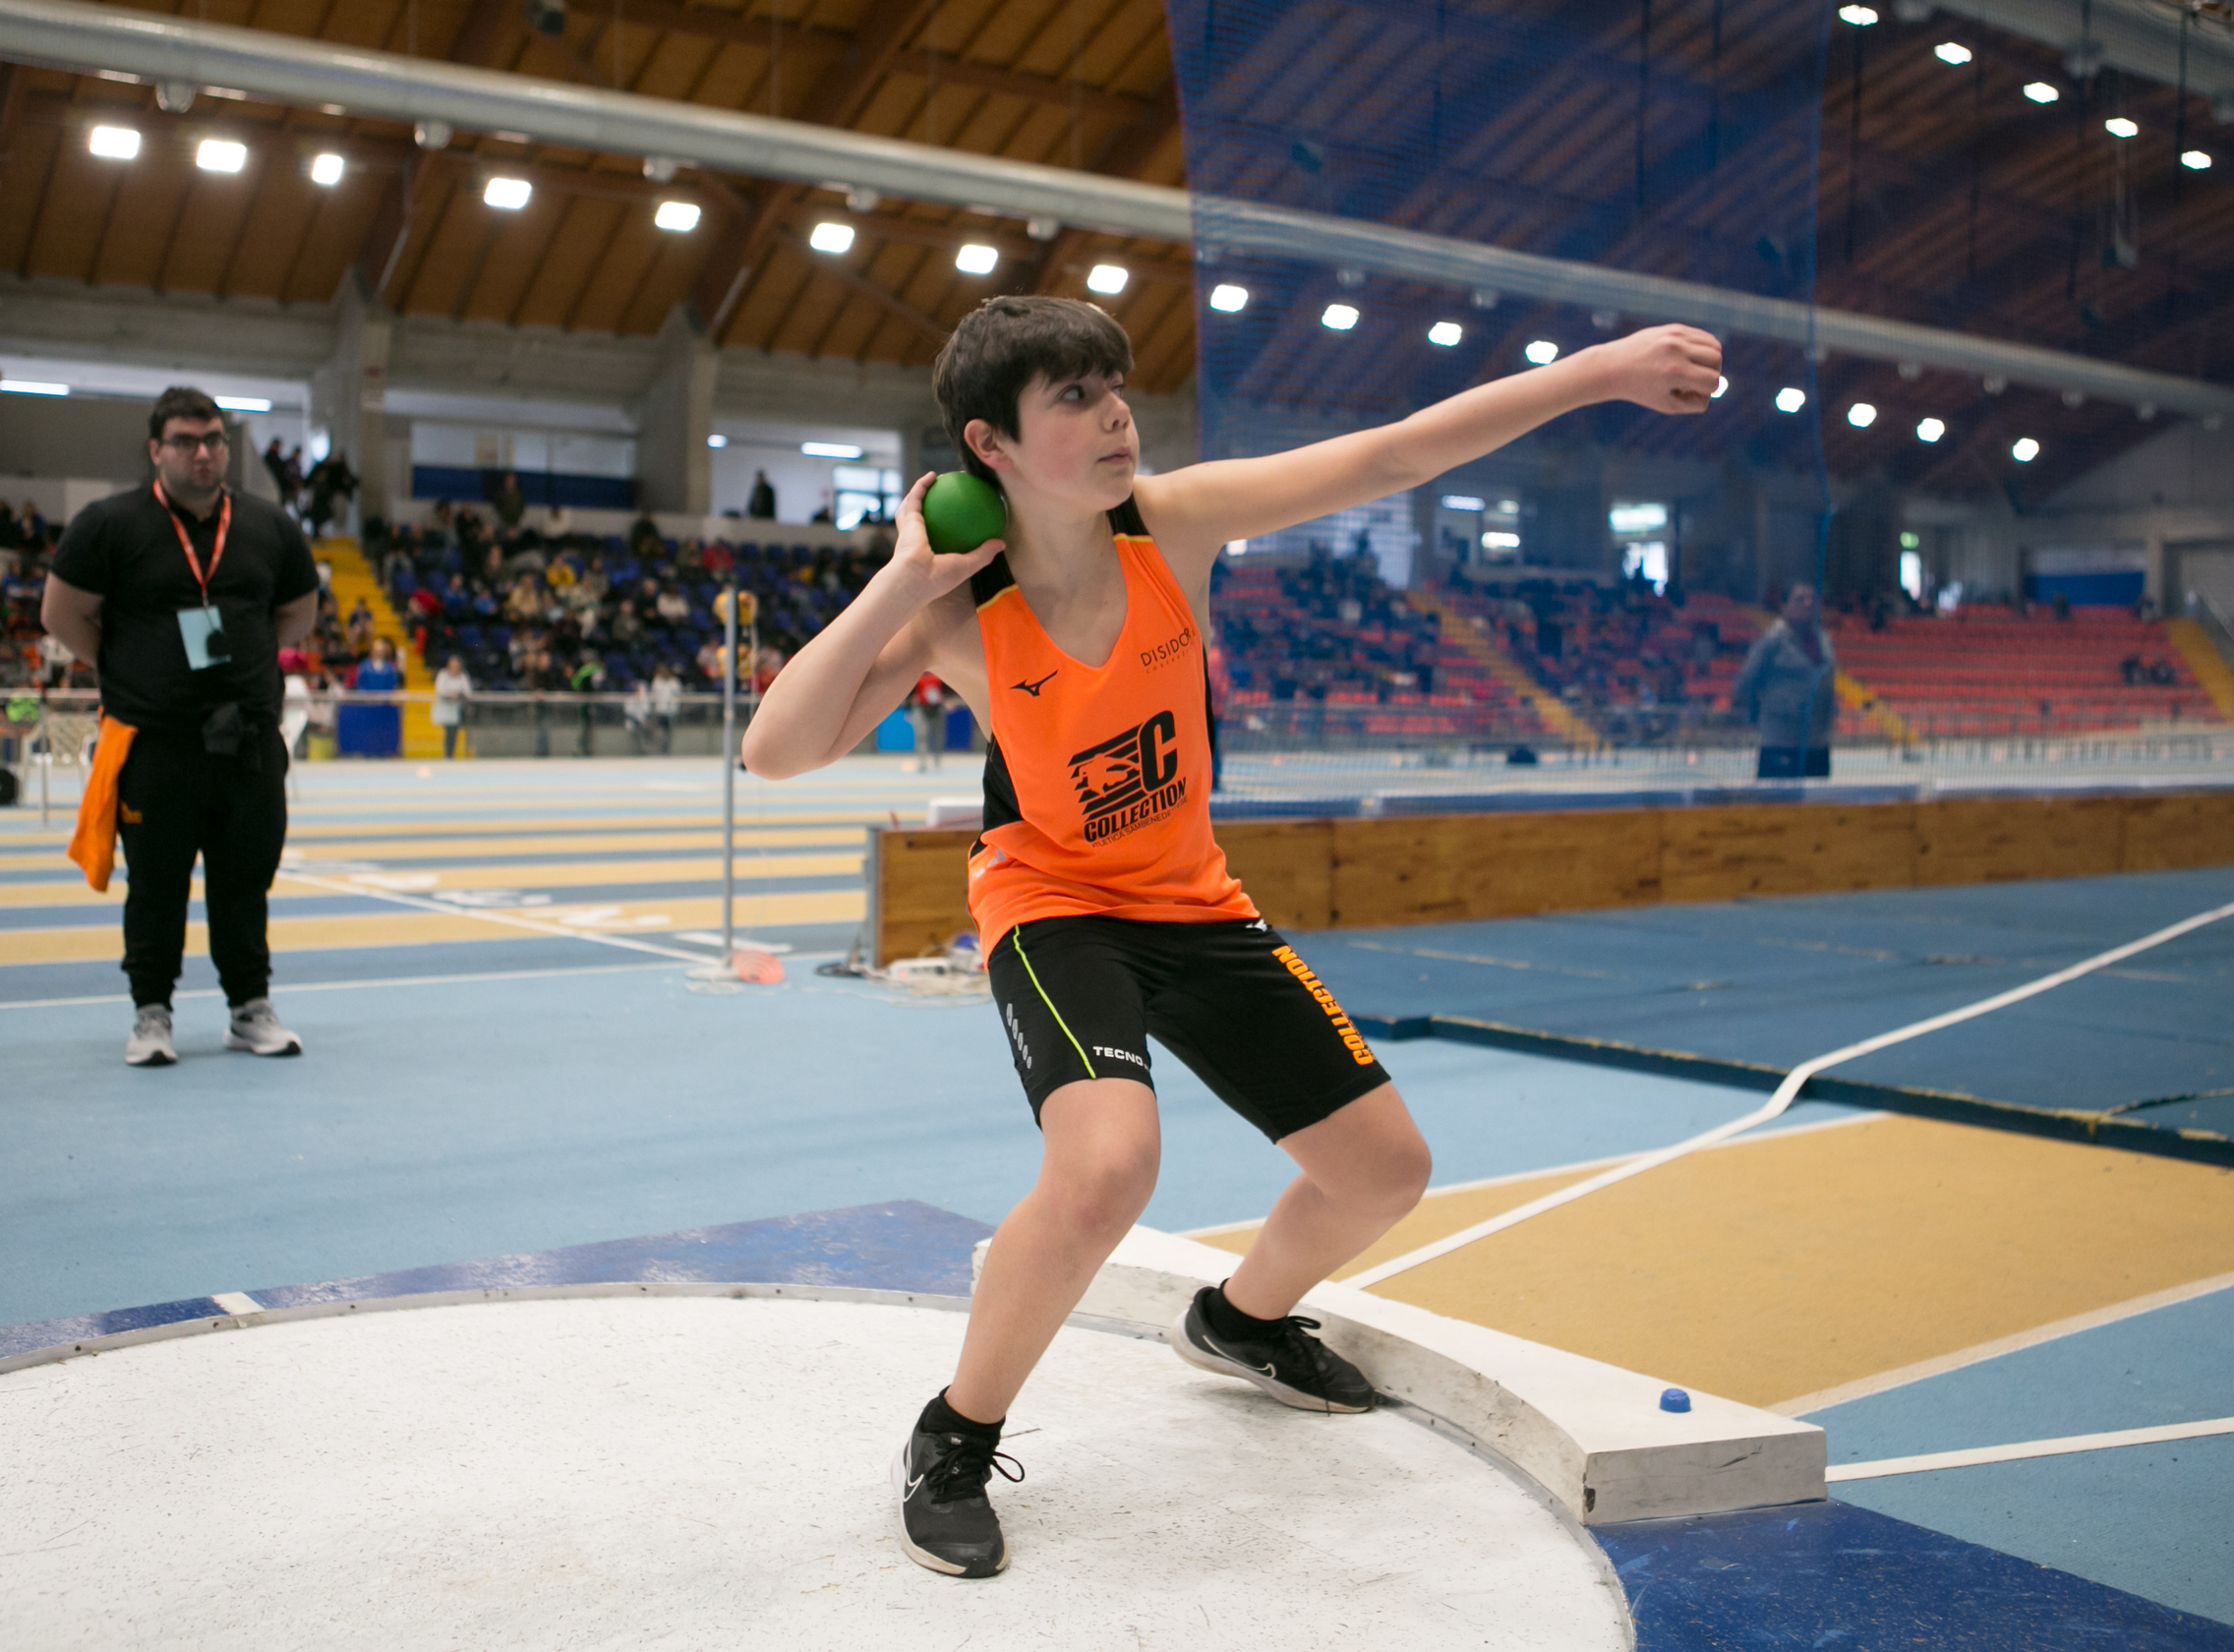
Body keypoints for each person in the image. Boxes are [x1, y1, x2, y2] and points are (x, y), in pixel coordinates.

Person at [738, 295, 1722, 1578]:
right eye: (1075, 398)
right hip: (1055, 907)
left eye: (1115, 389)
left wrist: (1594, 371)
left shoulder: (1174, 522)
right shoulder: (956, 608)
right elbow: (776, 752)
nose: (1115, 417)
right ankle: (955, 1434)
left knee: (1382, 1173)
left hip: (1194, 900)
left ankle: (1239, 1321)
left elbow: (1392, 455)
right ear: (989, 445)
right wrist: (899, 583)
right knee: (1107, 1168)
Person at [41, 385, 319, 1066]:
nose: (203, 453)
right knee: (156, 885)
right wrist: (128, 669)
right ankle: (151, 1014)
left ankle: (249, 1008)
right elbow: (60, 614)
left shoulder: (268, 525)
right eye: (186, 441)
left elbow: (298, 613)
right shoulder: (110, 524)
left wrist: (244, 664)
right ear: (155, 450)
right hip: (156, 742)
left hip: (248, 741)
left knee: (244, 881)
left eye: (214, 439)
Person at [1733, 581, 1836, 779]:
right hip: (1780, 744)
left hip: (1817, 746)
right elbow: (1745, 683)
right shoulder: (1771, 642)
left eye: (1812, 599)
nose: (1807, 603)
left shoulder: (1824, 641)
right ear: (1784, 606)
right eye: (1800, 599)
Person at [432, 653, 471, 759]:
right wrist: (449, 695)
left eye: (456, 665)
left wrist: (458, 695)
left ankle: (450, 754)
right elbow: (439, 690)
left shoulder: (462, 676)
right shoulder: (443, 674)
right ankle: (448, 754)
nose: (454, 668)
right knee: (449, 731)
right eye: (452, 665)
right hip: (445, 707)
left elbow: (467, 692)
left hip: (456, 708)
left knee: (453, 731)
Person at [911, 671, 947, 769]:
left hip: (936, 708)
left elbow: (944, 692)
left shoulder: (938, 678)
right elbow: (912, 695)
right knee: (921, 735)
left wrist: (944, 701)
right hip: (921, 708)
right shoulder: (917, 678)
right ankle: (922, 761)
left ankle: (937, 759)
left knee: (937, 735)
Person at [649, 661, 681, 753]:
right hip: (659, 711)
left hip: (671, 711)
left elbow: (678, 696)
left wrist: (675, 707)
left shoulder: (674, 682)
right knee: (659, 731)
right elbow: (653, 695)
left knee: (669, 731)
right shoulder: (657, 681)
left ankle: (667, 749)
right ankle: (659, 749)